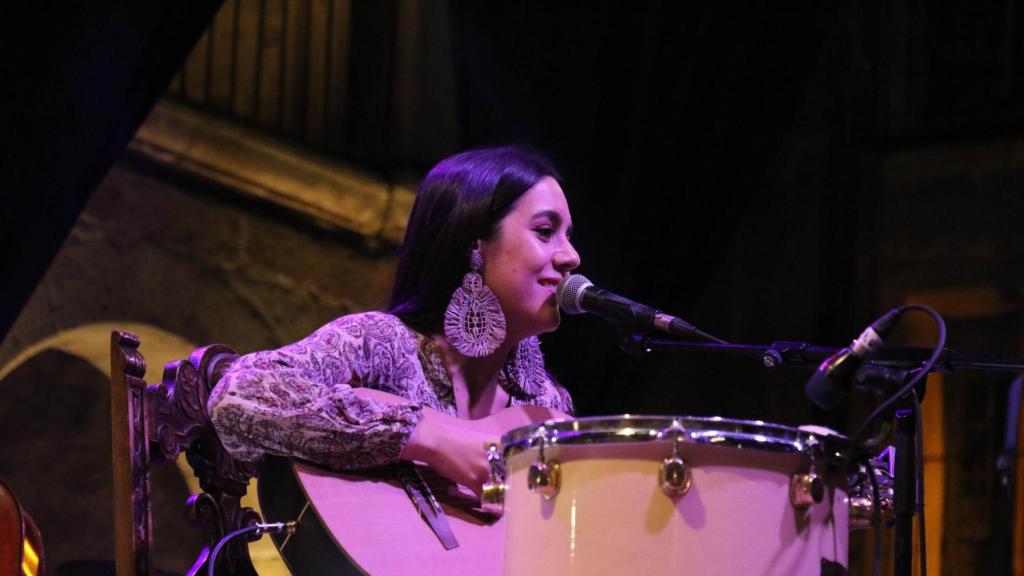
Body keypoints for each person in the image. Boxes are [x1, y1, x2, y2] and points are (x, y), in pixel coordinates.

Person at [207, 145, 581, 496]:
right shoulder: (380, 344)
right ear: (474, 247)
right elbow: (240, 393)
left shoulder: (548, 404)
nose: (571, 257)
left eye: (568, 236)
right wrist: (426, 434)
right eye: (546, 232)